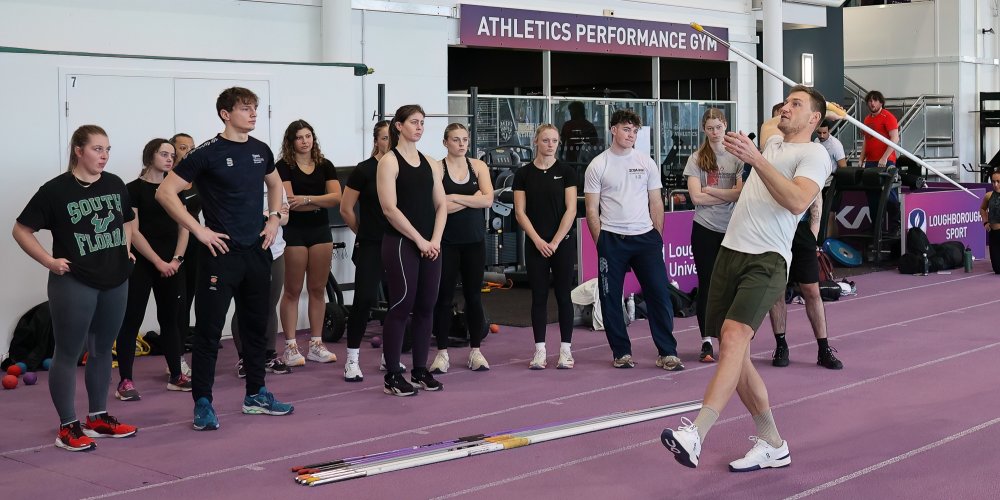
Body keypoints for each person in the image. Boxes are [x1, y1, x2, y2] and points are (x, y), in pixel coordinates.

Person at [661, 85, 830, 473]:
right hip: (730, 252)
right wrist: (811, 111)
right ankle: (772, 442)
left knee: (736, 337)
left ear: (815, 120)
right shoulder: (774, 140)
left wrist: (757, 158)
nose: (786, 108)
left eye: (796, 104)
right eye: (786, 102)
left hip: (766, 259)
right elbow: (774, 122)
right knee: (732, 352)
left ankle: (696, 435)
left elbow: (797, 201)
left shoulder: (814, 154)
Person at [156, 87, 293, 431]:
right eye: (246, 109)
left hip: (257, 252)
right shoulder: (207, 153)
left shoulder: (261, 150)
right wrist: (198, 230)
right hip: (220, 255)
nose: (253, 114)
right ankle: (202, 401)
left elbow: (276, 185)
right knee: (209, 332)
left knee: (257, 326)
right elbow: (165, 192)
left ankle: (257, 394)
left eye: (254, 109)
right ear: (225, 113)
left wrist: (274, 218)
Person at [13, 124, 139, 451]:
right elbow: (21, 229)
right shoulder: (55, 191)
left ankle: (97, 418)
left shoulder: (114, 184)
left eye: (108, 149)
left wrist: (125, 248)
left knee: (101, 349)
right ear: (79, 150)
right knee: (68, 353)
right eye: (98, 149)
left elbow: (127, 218)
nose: (105, 155)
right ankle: (67, 427)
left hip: (115, 279)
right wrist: (49, 261)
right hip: (74, 282)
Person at [584, 109, 681, 371]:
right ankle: (622, 352)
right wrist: (601, 242)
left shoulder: (646, 162)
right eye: (626, 129)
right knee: (610, 297)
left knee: (659, 293)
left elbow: (656, 202)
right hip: (612, 240)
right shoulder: (598, 165)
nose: (631, 134)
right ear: (613, 130)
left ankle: (667, 352)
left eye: (635, 130)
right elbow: (592, 210)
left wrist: (657, 237)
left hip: (646, 239)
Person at [376, 104, 447, 396]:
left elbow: (441, 205)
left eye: (422, 122)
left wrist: (436, 240)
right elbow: (389, 209)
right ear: (399, 126)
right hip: (402, 243)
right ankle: (393, 374)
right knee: (401, 306)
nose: (419, 127)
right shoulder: (389, 162)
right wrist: (419, 240)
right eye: (414, 122)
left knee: (426, 306)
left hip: (431, 244)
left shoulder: (431, 163)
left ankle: (420, 369)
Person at [115, 138, 192, 402]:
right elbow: (133, 232)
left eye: (172, 155)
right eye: (164, 154)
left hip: (173, 263)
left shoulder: (175, 190)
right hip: (143, 263)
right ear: (150, 157)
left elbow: (185, 226)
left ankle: (175, 375)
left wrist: (177, 260)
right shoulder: (132, 189)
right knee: (131, 320)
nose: (170, 159)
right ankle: (125, 381)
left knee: (171, 320)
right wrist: (159, 262)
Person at [275, 120, 342, 367]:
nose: (305, 141)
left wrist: (306, 199)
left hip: (320, 231)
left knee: (317, 289)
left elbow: (336, 198)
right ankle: (290, 346)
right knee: (292, 290)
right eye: (300, 138)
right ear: (291, 142)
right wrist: (315, 201)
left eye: (309, 136)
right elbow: (289, 203)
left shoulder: (325, 166)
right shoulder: (283, 166)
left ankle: (316, 343)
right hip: (294, 231)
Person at [429, 123, 494, 373]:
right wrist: (470, 199)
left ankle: (476, 351)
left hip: (474, 242)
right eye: (455, 140)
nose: (461, 144)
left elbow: (488, 199)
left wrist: (453, 198)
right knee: (443, 298)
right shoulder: (437, 167)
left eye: (464, 139)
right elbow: (436, 204)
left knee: (474, 297)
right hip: (446, 242)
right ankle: (442, 353)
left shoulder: (478, 166)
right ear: (445, 142)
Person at [514, 124, 578, 369]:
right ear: (536, 142)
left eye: (554, 141)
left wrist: (555, 241)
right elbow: (520, 212)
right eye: (546, 140)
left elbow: (571, 209)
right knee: (538, 296)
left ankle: (566, 351)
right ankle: (539, 350)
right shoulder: (524, 174)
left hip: (561, 243)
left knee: (564, 296)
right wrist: (538, 241)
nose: (550, 145)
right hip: (535, 245)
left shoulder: (567, 172)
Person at [683, 108, 743, 364]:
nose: (715, 132)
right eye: (710, 128)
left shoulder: (736, 156)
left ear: (725, 125)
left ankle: (728, 339)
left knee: (730, 286)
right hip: (705, 229)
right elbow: (696, 198)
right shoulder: (696, 159)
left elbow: (740, 194)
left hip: (732, 228)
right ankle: (706, 341)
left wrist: (711, 190)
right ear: (704, 130)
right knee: (707, 285)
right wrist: (723, 192)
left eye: (718, 127)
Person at [340, 120, 391, 382]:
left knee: (398, 302)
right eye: (384, 138)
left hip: (397, 244)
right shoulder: (364, 170)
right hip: (371, 243)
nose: (388, 142)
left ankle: (389, 358)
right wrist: (363, 232)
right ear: (376, 141)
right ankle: (351, 359)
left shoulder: (402, 168)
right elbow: (345, 209)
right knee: (363, 300)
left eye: (391, 137)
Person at [232, 182, 291, 378]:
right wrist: (270, 215)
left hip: (274, 251)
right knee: (244, 305)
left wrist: (268, 216)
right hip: (244, 250)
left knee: (269, 305)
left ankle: (268, 355)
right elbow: (240, 216)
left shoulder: (276, 184)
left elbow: (285, 219)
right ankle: (244, 358)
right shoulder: (239, 179)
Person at [171, 132, 198, 373]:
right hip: (175, 248)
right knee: (176, 304)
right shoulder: (167, 181)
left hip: (198, 246)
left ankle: (184, 354)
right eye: (182, 147)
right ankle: (175, 358)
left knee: (189, 301)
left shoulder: (200, 178)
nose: (187, 151)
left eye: (191, 147)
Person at [858, 90, 901, 235]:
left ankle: (895, 226)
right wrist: (861, 158)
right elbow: (866, 140)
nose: (872, 103)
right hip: (871, 163)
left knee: (890, 195)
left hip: (886, 163)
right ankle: (876, 228)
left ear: (881, 102)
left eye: (875, 100)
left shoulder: (888, 117)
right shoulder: (867, 119)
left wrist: (885, 157)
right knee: (872, 197)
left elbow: (895, 139)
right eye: (870, 101)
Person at [980, 170, 1000, 274]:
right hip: (994, 233)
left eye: (998, 181)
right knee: (997, 269)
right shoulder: (988, 195)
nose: (995, 184)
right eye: (993, 182)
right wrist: (985, 222)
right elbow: (982, 209)